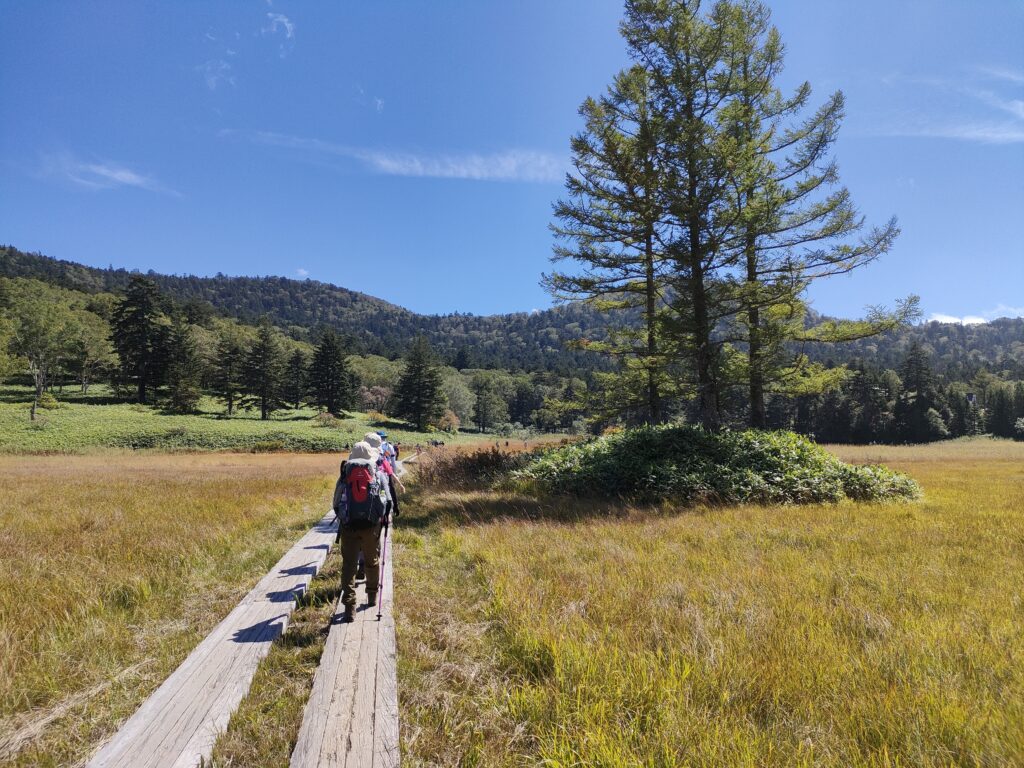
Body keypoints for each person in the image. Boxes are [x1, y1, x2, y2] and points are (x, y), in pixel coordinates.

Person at [332, 441, 391, 622]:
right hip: (371, 526)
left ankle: (350, 606)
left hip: (349, 526)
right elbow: (388, 500)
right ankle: (372, 596)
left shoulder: (345, 475)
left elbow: (335, 503)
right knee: (372, 561)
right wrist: (382, 520)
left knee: (349, 565)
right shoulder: (378, 474)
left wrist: (343, 517)